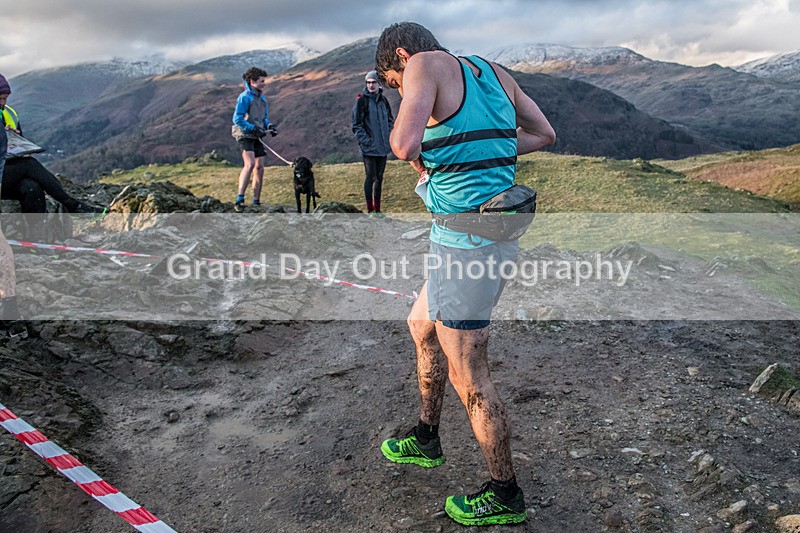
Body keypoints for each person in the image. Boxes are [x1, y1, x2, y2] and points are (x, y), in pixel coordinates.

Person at [375, 22, 556, 526]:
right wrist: (478, 149)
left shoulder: (421, 65)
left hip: (466, 249)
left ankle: (505, 492)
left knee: (470, 376)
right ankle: (426, 438)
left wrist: (415, 133)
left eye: (395, 81)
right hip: (481, 239)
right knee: (420, 325)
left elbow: (405, 146)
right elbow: (544, 134)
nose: (403, 88)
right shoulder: (495, 73)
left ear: (403, 55)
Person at [0, 73, 103, 220]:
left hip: (6, 173)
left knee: (32, 187)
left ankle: (36, 237)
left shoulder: (9, 113)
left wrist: (13, 136)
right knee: (28, 165)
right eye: (0, 98)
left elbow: (19, 148)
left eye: (5, 98)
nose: (2, 102)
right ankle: (72, 205)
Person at [231, 67, 277, 213]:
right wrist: (251, 127)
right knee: (250, 164)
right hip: (245, 134)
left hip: (257, 134)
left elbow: (264, 118)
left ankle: (256, 201)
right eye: (262, 81)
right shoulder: (244, 97)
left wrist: (269, 126)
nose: (264, 84)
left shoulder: (262, 99)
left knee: (260, 167)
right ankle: (240, 198)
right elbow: (237, 118)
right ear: (252, 81)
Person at [352, 70, 394, 217]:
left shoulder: (383, 101)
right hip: (369, 148)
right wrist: (367, 141)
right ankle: (370, 210)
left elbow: (390, 120)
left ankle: (378, 209)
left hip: (382, 147)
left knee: (379, 178)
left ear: (378, 84)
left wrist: (389, 136)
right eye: (368, 82)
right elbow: (357, 125)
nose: (371, 85)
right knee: (370, 177)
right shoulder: (361, 100)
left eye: (373, 82)